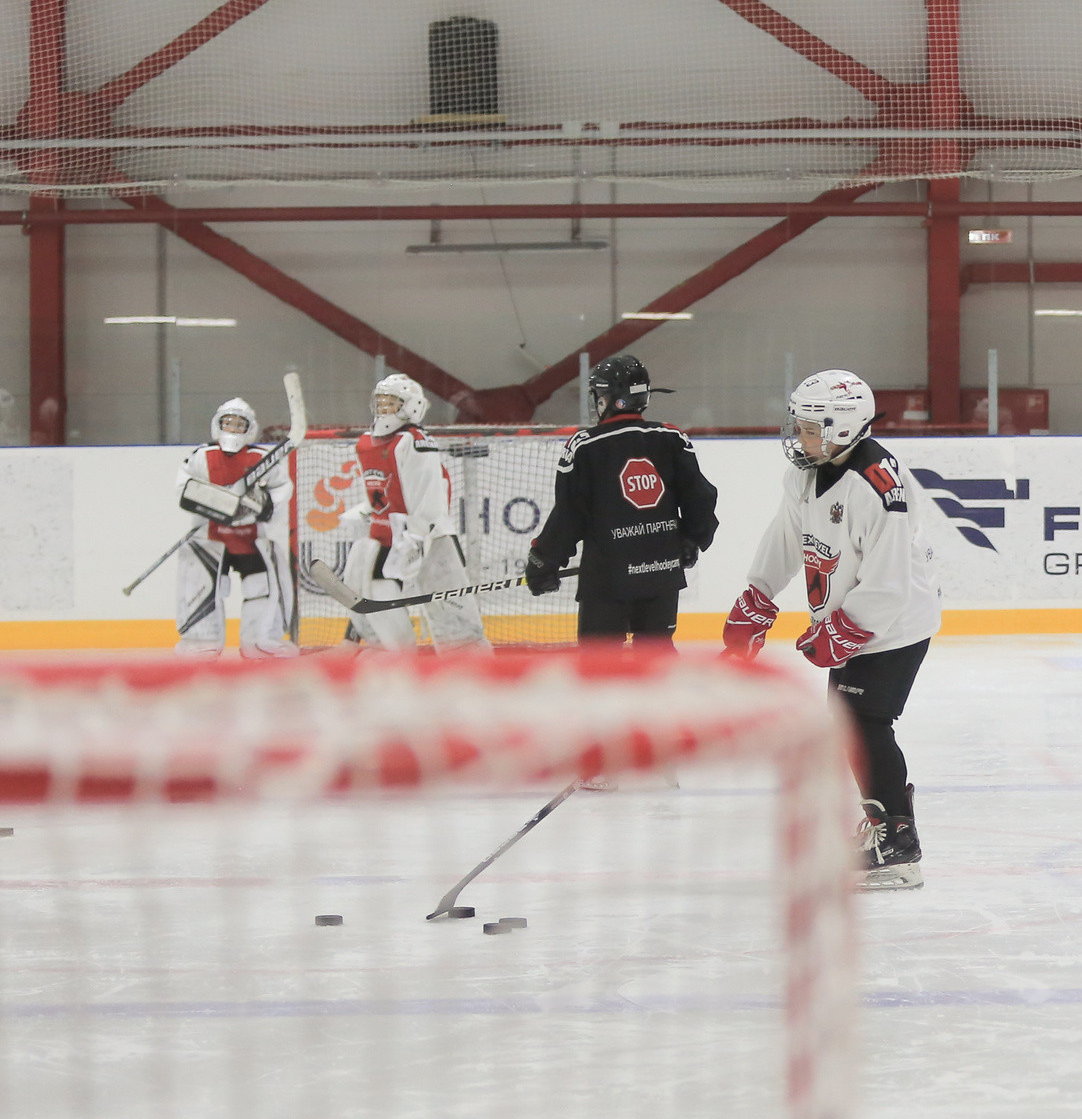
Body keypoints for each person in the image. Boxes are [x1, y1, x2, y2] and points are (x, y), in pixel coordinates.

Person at [723, 370, 941, 889]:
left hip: (894, 623)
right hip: (856, 620)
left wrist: (843, 629)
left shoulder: (879, 486)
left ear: (842, 428)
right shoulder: (805, 472)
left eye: (809, 427)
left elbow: (890, 583)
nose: (798, 436)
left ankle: (898, 843)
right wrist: (758, 596)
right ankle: (883, 822)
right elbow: (785, 536)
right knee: (847, 722)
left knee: (864, 722)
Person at [524, 355, 719, 648]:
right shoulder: (672, 438)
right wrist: (692, 539)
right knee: (656, 663)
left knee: (600, 669)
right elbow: (700, 499)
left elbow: (569, 514)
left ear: (609, 399)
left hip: (606, 582)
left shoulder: (585, 446)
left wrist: (545, 559)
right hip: (662, 577)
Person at [353, 373, 486, 653]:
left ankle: (468, 662)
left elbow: (428, 495)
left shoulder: (415, 441)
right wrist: (366, 511)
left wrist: (417, 535)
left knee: (449, 604)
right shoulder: (368, 442)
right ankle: (395, 653)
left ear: (410, 406)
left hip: (430, 536)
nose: (383, 409)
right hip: (388, 534)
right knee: (379, 591)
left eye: (390, 403)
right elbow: (379, 487)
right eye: (380, 403)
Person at [173, 397, 297, 658]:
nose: (232, 428)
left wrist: (261, 506)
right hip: (210, 539)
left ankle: (260, 641)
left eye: (239, 424)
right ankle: (200, 642)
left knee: (262, 589)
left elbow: (282, 487)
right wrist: (211, 504)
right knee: (201, 589)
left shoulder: (262, 458)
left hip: (252, 541)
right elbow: (183, 488)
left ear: (249, 429)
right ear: (217, 425)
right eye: (227, 422)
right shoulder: (201, 456)